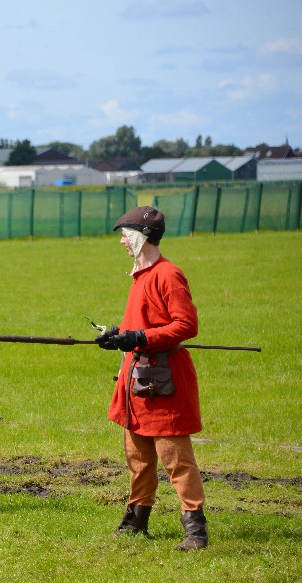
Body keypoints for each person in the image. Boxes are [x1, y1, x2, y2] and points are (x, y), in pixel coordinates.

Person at [95, 206, 209, 550]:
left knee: (176, 458)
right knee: (138, 454)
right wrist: (119, 334)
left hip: (163, 380)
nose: (121, 242)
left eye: (125, 235)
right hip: (137, 378)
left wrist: (139, 337)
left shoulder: (168, 274)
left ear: (141, 237)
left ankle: (195, 530)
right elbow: (142, 323)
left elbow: (185, 325)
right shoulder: (140, 275)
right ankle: (136, 520)